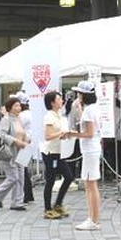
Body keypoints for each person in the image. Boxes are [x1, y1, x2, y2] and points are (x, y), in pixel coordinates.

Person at [66, 81, 102, 231]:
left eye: (79, 94)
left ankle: (93, 219)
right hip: (93, 149)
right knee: (90, 185)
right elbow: (89, 127)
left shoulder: (89, 111)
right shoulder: (93, 109)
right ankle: (93, 218)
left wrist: (72, 133)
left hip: (89, 149)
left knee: (90, 185)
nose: (77, 96)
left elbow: (88, 133)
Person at [0, 97, 29, 211]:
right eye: (16, 106)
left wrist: (26, 140)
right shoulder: (6, 119)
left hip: (21, 151)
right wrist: (15, 141)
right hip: (10, 152)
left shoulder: (19, 119)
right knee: (13, 177)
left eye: (19, 105)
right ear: (9, 108)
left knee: (21, 177)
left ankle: (17, 202)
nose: (18, 108)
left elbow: (22, 133)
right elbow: (2, 135)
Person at [41, 91, 74, 219]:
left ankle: (58, 204)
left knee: (69, 177)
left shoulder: (59, 115)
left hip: (59, 152)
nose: (61, 101)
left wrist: (68, 133)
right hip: (50, 153)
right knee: (50, 181)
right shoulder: (49, 116)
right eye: (59, 99)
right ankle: (47, 209)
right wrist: (62, 133)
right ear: (52, 103)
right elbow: (48, 136)